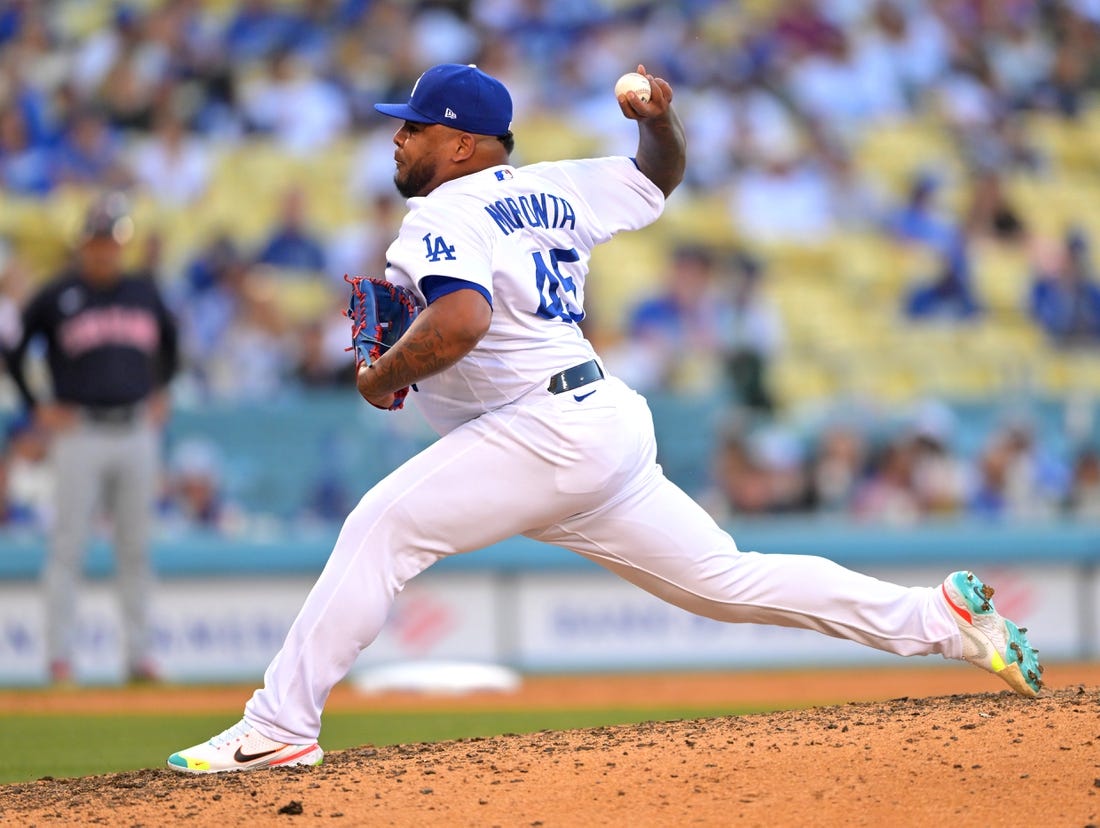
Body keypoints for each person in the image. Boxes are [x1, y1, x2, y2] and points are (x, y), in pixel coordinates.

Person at [166, 63, 1042, 774]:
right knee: (726, 582)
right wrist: (656, 117)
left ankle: (278, 725)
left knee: (379, 528)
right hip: (597, 424)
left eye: (415, 125)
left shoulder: (443, 209)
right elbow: (658, 175)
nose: (398, 136)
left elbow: (463, 321)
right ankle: (941, 620)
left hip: (541, 429)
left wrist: (381, 376)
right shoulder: (556, 188)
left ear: (462, 144)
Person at [4, 195, 179, 685]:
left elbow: (171, 344)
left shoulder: (143, 292)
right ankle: (59, 658)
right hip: (79, 429)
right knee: (68, 546)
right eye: (97, 242)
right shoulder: (59, 294)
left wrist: (162, 390)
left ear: (121, 246)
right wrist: (35, 406)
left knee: (136, 548)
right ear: (84, 244)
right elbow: (16, 352)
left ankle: (139, 658)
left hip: (135, 429)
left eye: (112, 242)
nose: (104, 251)